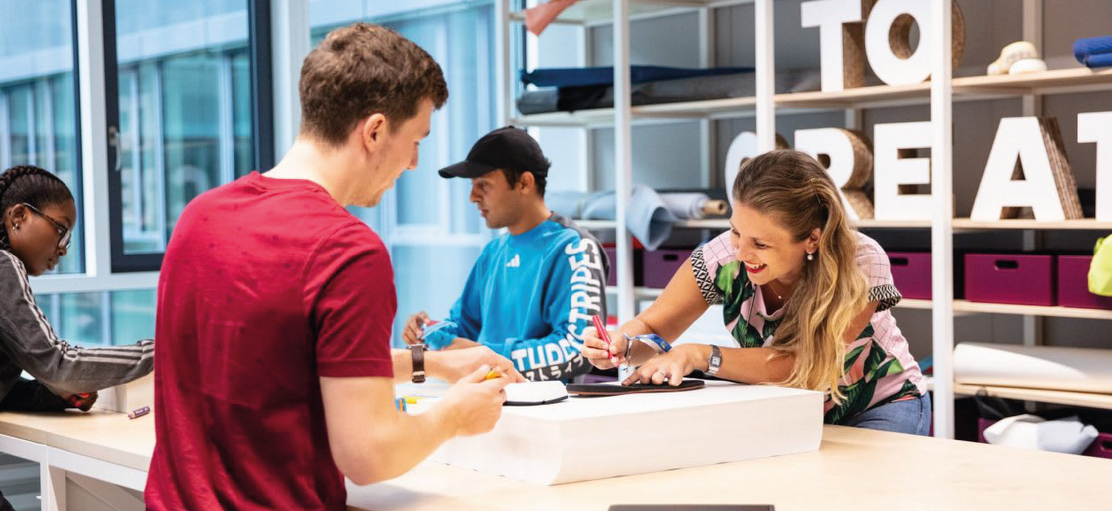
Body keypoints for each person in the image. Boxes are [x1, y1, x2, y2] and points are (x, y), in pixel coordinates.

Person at [144, 23, 513, 511]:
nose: (413, 163)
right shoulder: (347, 251)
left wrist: (430, 363)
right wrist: (455, 415)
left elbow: (282, 366)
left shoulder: (201, 215)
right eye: (416, 141)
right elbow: (367, 455)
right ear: (375, 131)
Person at [581, 150, 930, 435]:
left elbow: (805, 368)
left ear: (812, 238)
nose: (741, 253)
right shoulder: (723, 256)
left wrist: (700, 355)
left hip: (880, 405)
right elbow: (653, 326)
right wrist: (623, 345)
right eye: (736, 232)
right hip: (789, 407)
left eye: (760, 243)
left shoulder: (861, 262)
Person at [0, 165, 155, 510]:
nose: (63, 248)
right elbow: (59, 364)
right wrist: (160, 349)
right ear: (19, 216)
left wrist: (52, 396)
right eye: (61, 229)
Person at [401, 126, 607, 382]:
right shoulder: (493, 252)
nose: (472, 197)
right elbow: (463, 327)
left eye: (483, 185)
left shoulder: (574, 247)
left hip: (545, 404)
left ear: (524, 183)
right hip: (483, 398)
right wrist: (429, 332)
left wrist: (485, 356)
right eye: (472, 185)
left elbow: (578, 350)